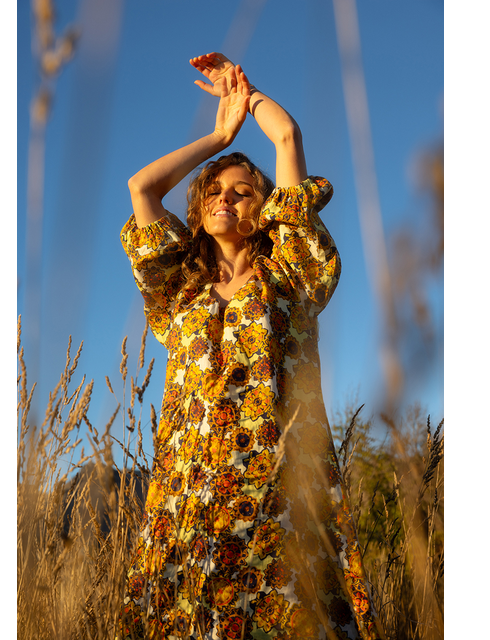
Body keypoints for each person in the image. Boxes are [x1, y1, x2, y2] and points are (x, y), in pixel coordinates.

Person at [119, 53, 382, 640]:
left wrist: (250, 94)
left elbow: (287, 136)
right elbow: (143, 187)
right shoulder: (177, 286)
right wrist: (218, 136)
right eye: (213, 189)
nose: (223, 198)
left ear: (265, 211)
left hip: (278, 489)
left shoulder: (291, 273)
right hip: (189, 490)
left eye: (241, 192)